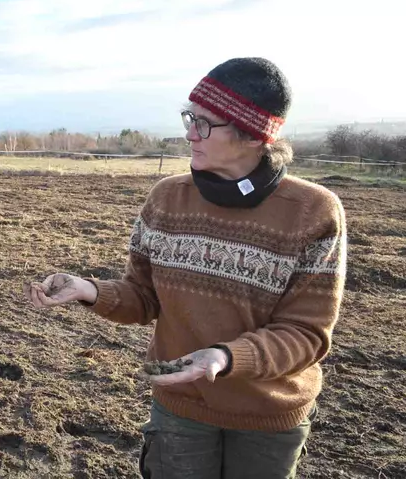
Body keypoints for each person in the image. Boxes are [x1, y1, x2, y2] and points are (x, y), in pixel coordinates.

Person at [24, 57, 347, 478]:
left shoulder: (313, 212)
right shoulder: (166, 199)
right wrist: (89, 289)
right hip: (180, 407)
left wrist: (226, 357)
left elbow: (306, 334)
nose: (189, 133)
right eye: (189, 118)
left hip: (268, 417)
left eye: (205, 124)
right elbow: (143, 297)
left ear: (253, 135)